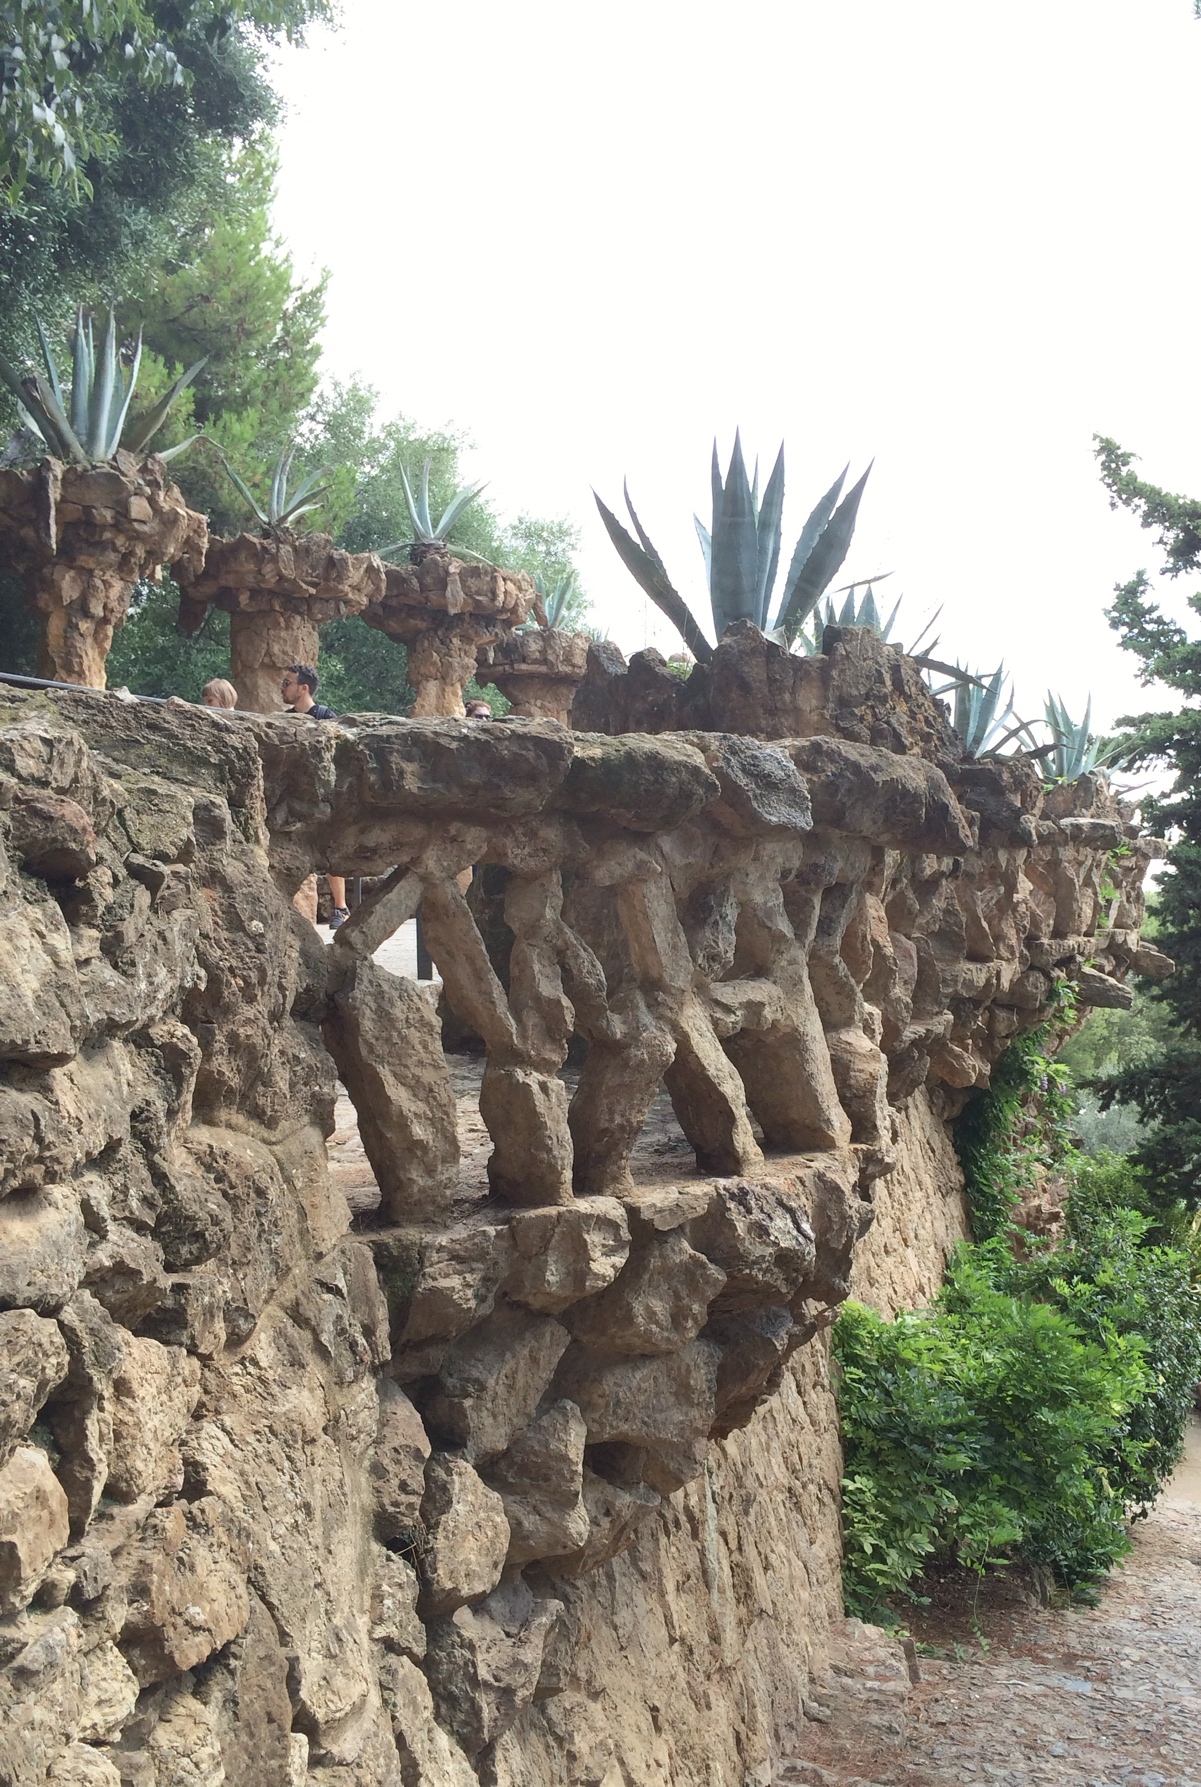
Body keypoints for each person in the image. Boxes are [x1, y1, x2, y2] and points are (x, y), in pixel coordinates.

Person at [282, 664, 348, 927]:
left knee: (332, 854)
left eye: (287, 683)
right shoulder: (285, 718)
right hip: (294, 797)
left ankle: (340, 908)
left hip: (324, 797)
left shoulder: (325, 716)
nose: (282, 688)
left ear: (303, 688)